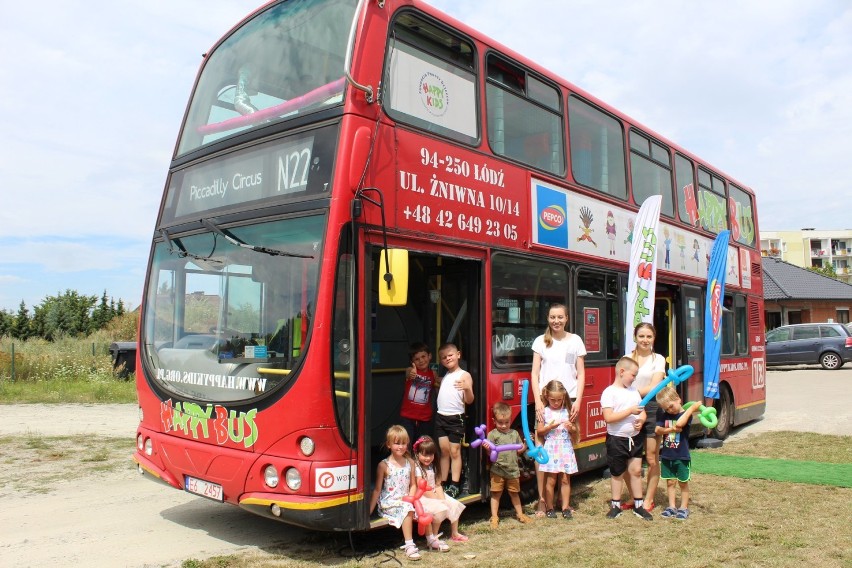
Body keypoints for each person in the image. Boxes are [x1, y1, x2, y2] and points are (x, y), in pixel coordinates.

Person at [530, 303, 587, 516]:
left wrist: (578, 401)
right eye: (553, 317)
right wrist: (537, 402)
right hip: (545, 400)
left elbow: (580, 374)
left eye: (560, 317)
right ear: (548, 318)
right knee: (542, 449)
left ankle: (564, 502)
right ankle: (543, 500)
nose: (556, 321)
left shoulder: (576, 341)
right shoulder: (540, 342)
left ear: (567, 318)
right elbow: (534, 374)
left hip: (569, 398)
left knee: (566, 447)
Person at [601, 356, 652, 521]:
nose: (635, 378)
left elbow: (642, 411)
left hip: (634, 438)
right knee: (617, 473)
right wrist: (630, 411)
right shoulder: (609, 392)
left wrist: (642, 420)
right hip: (617, 439)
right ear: (622, 372)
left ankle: (639, 505)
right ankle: (615, 505)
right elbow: (608, 417)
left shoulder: (634, 392)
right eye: (633, 375)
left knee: (636, 471)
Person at [624, 322, 666, 512]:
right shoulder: (626, 359)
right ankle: (636, 497)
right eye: (641, 336)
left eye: (649, 336)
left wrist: (632, 392)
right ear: (635, 337)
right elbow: (620, 384)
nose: (645, 340)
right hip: (630, 409)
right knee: (630, 456)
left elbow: (655, 386)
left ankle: (649, 499)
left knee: (651, 458)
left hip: (651, 408)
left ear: (654, 338)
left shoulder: (659, 359)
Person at [368, 425, 422, 560]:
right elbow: (377, 489)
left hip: (405, 500)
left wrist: (411, 497)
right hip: (389, 502)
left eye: (404, 443)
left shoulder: (410, 462)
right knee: (407, 508)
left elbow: (413, 485)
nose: (401, 447)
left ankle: (431, 538)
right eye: (397, 443)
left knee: (414, 506)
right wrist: (369, 511)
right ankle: (409, 545)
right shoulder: (384, 465)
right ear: (389, 445)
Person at [481, 402, 532, 528]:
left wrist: (525, 445)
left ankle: (520, 514)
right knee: (496, 494)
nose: (504, 425)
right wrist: (487, 448)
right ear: (494, 420)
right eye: (500, 422)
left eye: (507, 422)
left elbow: (518, 451)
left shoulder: (514, 434)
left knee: (514, 493)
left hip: (513, 470)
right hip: (497, 470)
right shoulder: (493, 434)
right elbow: (490, 454)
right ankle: (494, 516)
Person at [655, 386, 703, 520]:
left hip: (682, 456)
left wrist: (691, 409)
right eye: (666, 409)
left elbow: (680, 424)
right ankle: (671, 506)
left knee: (683, 482)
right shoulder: (665, 415)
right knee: (670, 482)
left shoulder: (685, 415)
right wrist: (670, 429)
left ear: (678, 399)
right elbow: (658, 430)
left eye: (671, 406)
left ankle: (683, 507)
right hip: (667, 455)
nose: (669, 410)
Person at [434, 342, 474, 498]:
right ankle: (443, 482)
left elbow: (470, 400)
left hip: (456, 418)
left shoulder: (464, 375)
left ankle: (455, 484)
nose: (447, 359)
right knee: (444, 451)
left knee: (455, 451)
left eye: (450, 355)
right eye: (443, 357)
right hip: (441, 417)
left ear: (458, 354)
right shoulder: (446, 376)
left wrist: (467, 388)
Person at [536, 380, 579, 519]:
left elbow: (575, 431)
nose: (556, 402)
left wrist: (571, 428)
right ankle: (549, 507)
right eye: (552, 400)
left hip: (565, 447)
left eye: (559, 400)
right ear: (547, 396)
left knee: (565, 479)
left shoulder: (567, 411)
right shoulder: (545, 411)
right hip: (552, 448)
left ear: (563, 397)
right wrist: (550, 427)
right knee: (551, 480)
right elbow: (540, 431)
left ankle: (565, 506)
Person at [412, 435, 468, 542]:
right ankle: (433, 536)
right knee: (440, 509)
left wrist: (442, 498)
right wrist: (438, 500)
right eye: (424, 455)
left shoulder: (433, 466)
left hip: (435, 493)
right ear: (417, 454)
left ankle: (455, 533)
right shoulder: (417, 468)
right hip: (424, 497)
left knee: (453, 504)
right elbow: (421, 487)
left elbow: (437, 485)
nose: (428, 458)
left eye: (430, 454)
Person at [400, 342, 436, 443]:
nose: (421, 360)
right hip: (407, 417)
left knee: (423, 447)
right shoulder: (411, 370)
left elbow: (440, 381)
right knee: (406, 445)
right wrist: (411, 372)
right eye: (417, 359)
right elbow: (408, 372)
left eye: (423, 356)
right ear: (412, 362)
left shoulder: (433, 373)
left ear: (430, 356)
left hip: (425, 418)